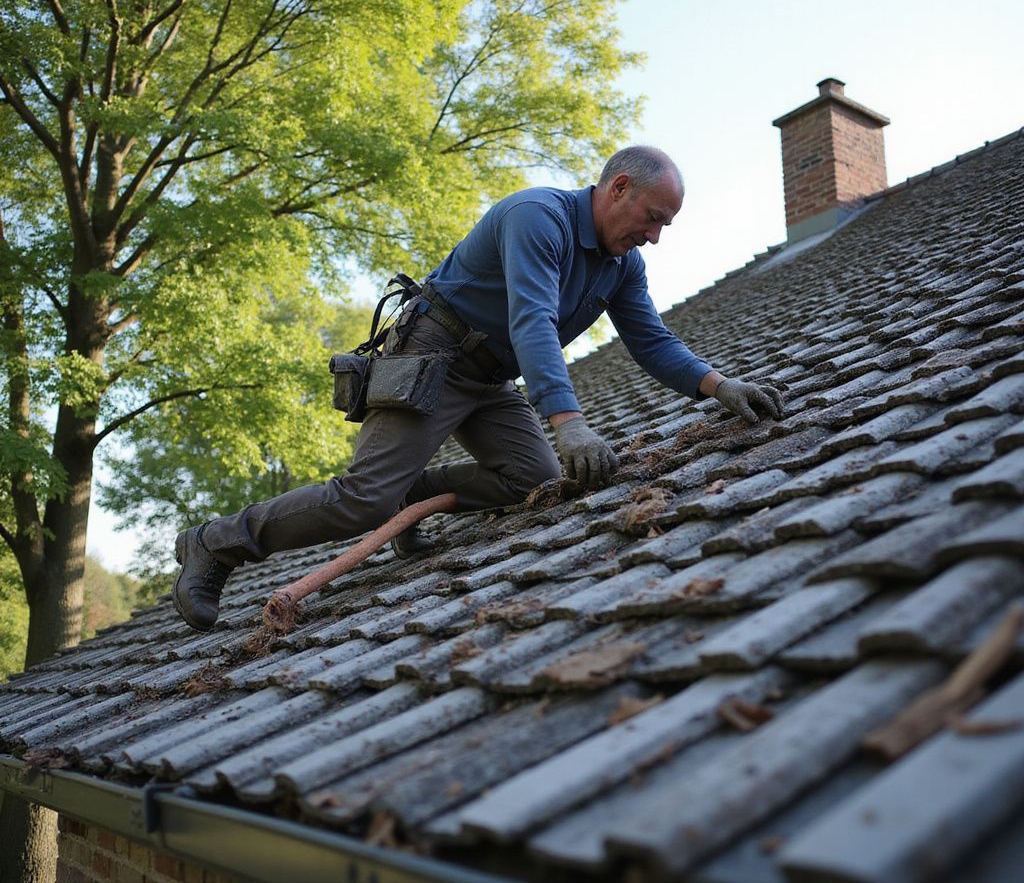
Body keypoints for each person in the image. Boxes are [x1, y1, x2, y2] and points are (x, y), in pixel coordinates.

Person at [173, 146, 783, 631]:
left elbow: (650, 340)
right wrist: (567, 421)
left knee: (537, 481)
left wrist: (718, 385)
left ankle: (416, 486)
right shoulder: (538, 217)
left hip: (491, 375)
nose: (654, 237)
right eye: (653, 219)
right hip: (433, 352)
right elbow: (533, 320)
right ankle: (216, 544)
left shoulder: (623, 266)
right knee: (365, 500)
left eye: (665, 226)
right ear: (618, 188)